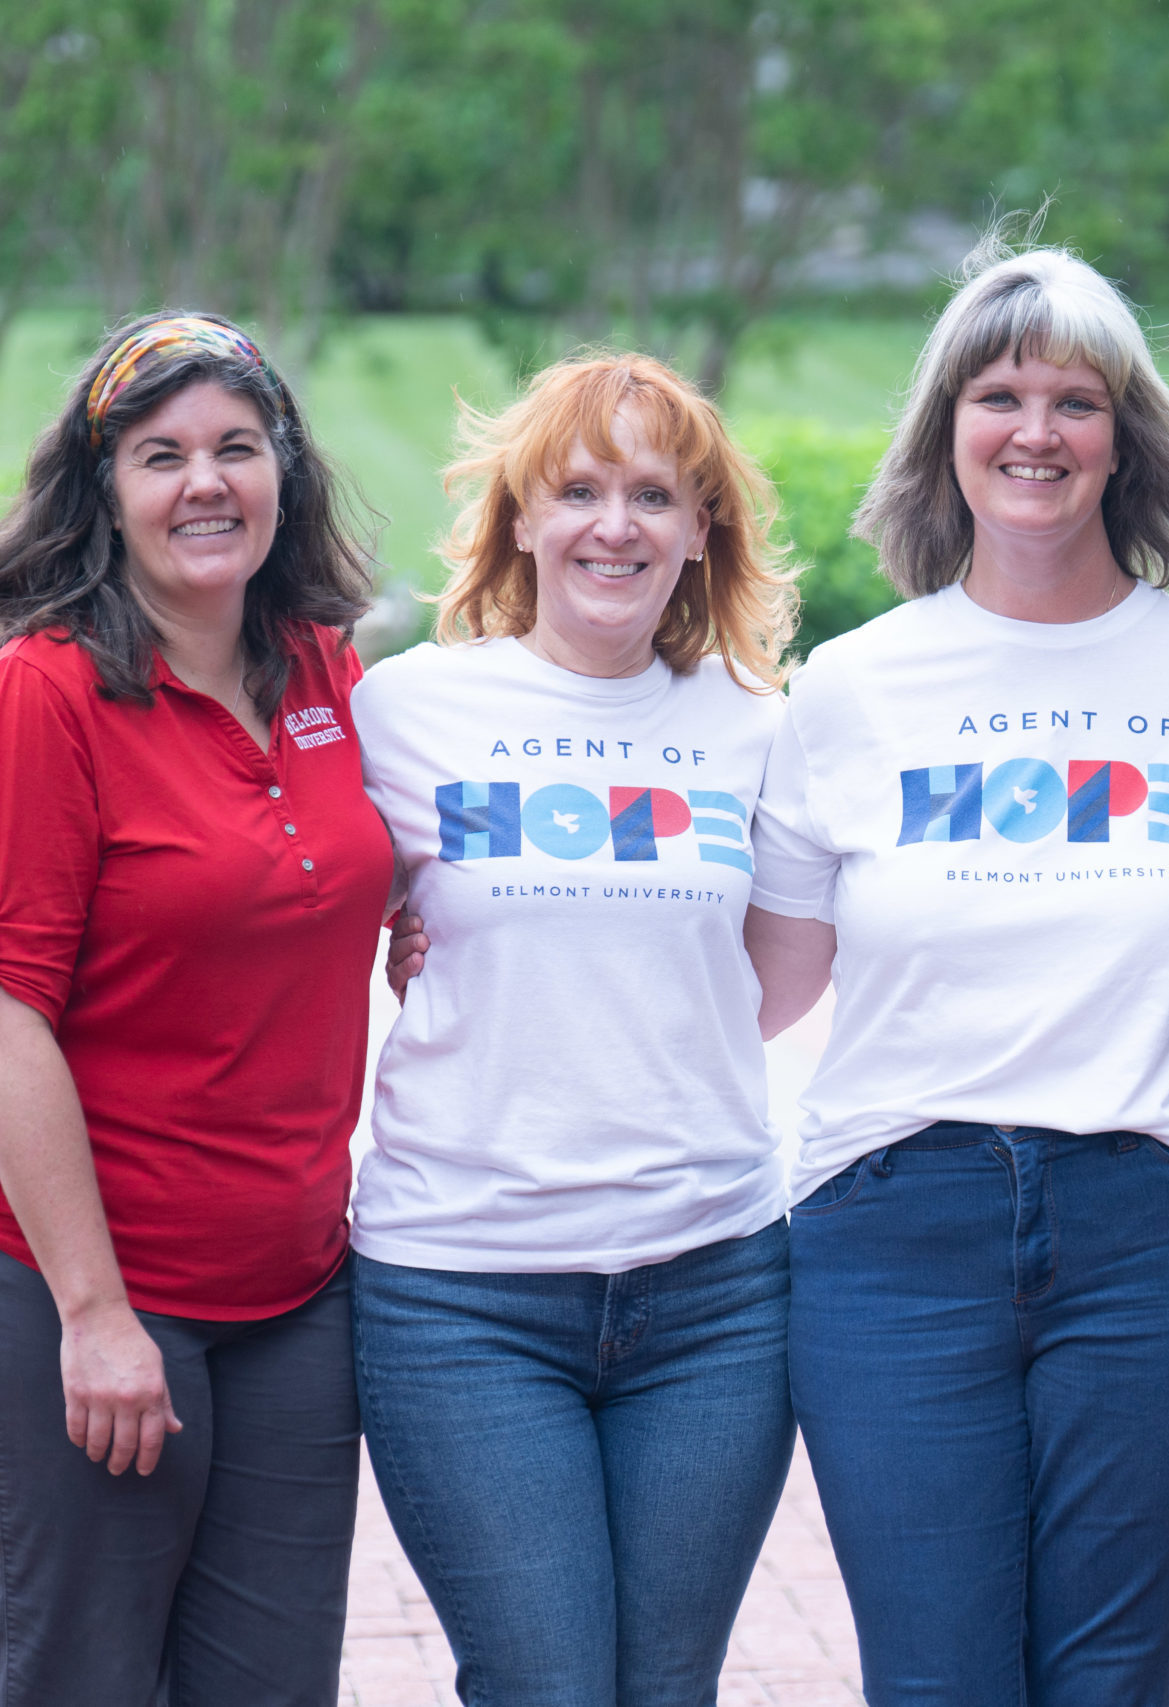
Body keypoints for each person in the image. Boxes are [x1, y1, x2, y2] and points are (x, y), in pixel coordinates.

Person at [740, 240, 1169, 1707]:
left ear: (1127, 437)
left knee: (1109, 1677)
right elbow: (761, 986)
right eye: (999, 394)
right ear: (947, 432)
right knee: (937, 1680)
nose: (1036, 431)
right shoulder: (856, 687)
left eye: (1076, 399)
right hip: (893, 1228)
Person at [352, 353, 798, 1707]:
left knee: (667, 1691)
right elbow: (291, 899)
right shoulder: (407, 712)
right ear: (523, 518)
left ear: (701, 528)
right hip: (461, 1291)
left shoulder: (761, 729)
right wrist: (392, 939)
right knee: (544, 1682)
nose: (617, 524)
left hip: (717, 1290)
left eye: (655, 493)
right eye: (581, 489)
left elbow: (776, 980)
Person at [0, 312, 394, 1705]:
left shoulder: (325, 671)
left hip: (297, 1293)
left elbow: (361, 862)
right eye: (160, 456)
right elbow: (7, 1013)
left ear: (285, 468)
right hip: (100, 1296)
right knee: (81, 1681)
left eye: (236, 445)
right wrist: (94, 1315)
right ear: (104, 490)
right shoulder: (46, 693)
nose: (204, 483)